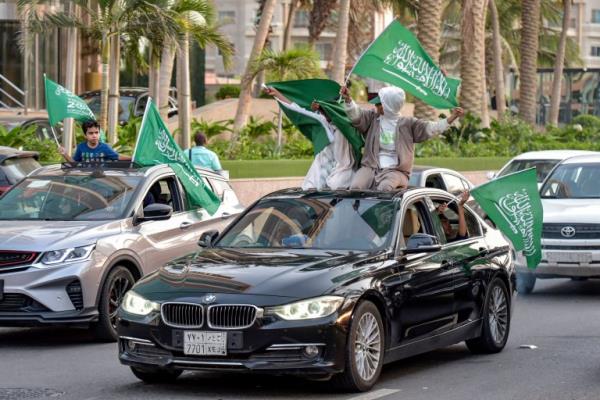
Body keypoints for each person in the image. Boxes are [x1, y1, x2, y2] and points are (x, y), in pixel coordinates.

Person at [339, 85, 464, 191]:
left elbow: (432, 128)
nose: (375, 106)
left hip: (396, 171)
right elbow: (356, 115)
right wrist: (348, 100)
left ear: (388, 105)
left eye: (379, 103)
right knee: (356, 187)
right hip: (371, 167)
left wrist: (451, 118)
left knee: (385, 188)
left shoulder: (409, 124)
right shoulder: (373, 118)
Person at [264, 86, 355, 190]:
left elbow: (356, 114)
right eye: (322, 110)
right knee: (308, 188)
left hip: (344, 171)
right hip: (321, 168)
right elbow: (298, 110)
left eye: (327, 109)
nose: (323, 113)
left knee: (336, 186)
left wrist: (348, 99)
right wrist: (277, 93)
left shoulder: (349, 125)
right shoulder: (321, 121)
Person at [60, 120, 131, 163]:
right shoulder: (80, 147)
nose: (94, 135)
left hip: (102, 179)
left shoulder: (105, 147)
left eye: (96, 132)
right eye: (91, 133)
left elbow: (118, 157)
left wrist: (133, 158)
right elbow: (74, 163)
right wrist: (65, 154)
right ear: (85, 135)